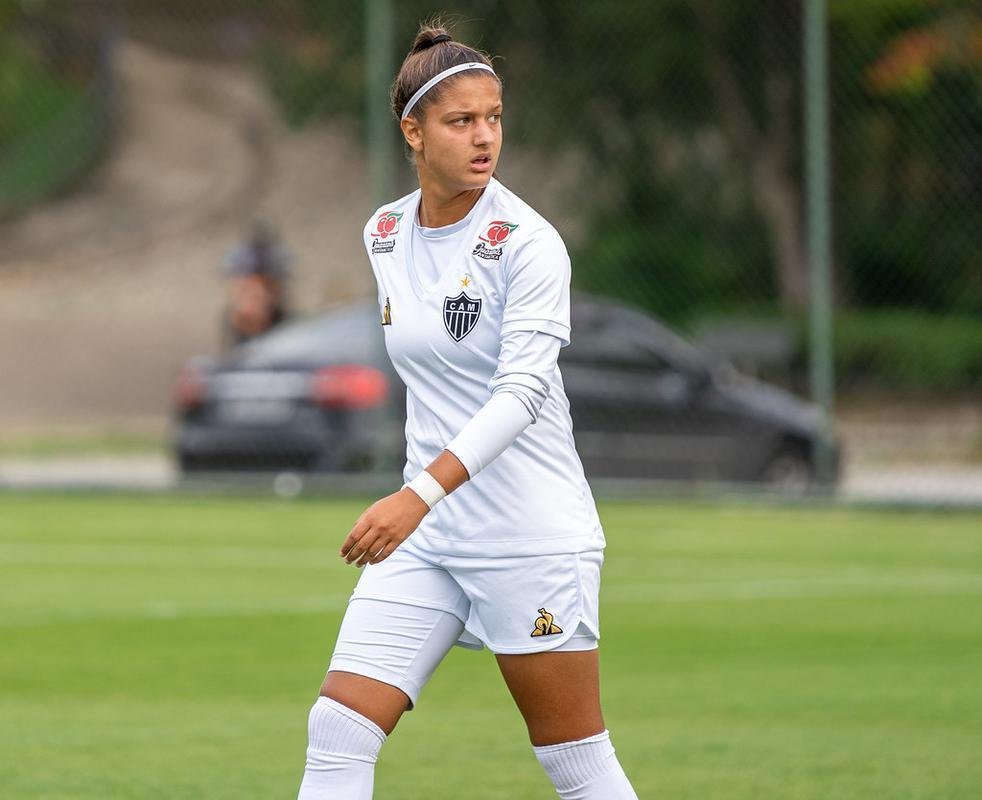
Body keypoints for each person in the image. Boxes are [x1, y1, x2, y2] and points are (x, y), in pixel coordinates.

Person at [296, 22, 639, 800]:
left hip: (528, 533)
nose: (485, 138)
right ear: (412, 132)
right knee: (339, 730)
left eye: (494, 117)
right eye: (461, 121)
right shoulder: (383, 231)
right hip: (431, 537)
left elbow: (521, 394)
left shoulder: (529, 243)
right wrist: (425, 502)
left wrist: (415, 495)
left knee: (574, 761)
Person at [222, 219, 292, 347]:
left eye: (264, 288)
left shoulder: (292, 337)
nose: (254, 295)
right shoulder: (234, 325)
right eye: (244, 289)